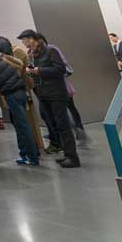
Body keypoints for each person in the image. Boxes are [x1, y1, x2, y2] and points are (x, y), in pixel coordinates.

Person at [20, 31, 80, 168]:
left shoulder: (50, 51)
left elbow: (60, 69)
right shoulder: (31, 54)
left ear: (31, 39)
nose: (23, 43)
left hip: (57, 93)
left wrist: (39, 71)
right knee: (55, 125)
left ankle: (73, 157)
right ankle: (66, 154)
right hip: (43, 94)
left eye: (24, 40)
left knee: (63, 125)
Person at [0, 38, 39, 165]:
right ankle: (26, 154)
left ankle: (33, 156)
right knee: (21, 124)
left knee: (22, 125)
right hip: (20, 90)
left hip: (12, 93)